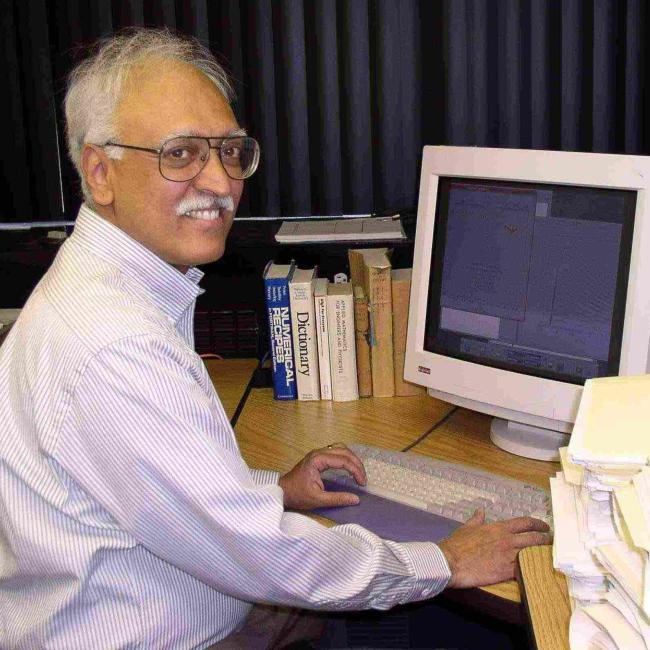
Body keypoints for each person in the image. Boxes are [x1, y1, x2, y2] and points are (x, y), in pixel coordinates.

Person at [0, 28, 550, 649]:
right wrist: (444, 561)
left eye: (230, 151)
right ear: (101, 173)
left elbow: (183, 497)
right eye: (180, 154)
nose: (220, 183)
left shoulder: (107, 287)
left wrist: (273, 491)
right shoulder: (114, 342)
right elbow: (258, 552)